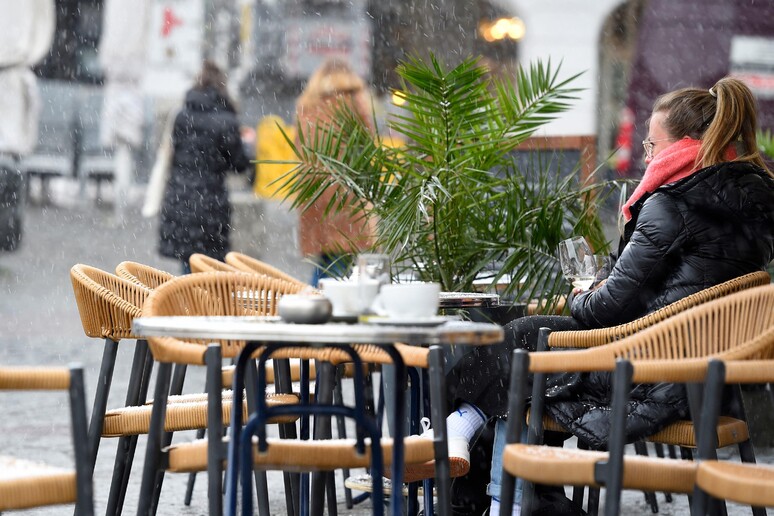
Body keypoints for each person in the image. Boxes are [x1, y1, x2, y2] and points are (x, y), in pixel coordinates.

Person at [412, 76, 774, 516]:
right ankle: (496, 473)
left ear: (682, 148)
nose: (647, 156)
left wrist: (584, 293)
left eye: (652, 146)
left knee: (524, 340)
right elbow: (679, 291)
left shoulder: (672, 203)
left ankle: (462, 445)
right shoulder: (749, 202)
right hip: (703, 375)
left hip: (646, 372)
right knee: (526, 349)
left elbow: (606, 309)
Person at [158, 60, 250, 274]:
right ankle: (205, 307)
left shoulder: (181, 116)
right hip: (210, 204)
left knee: (187, 266)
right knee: (212, 272)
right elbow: (239, 165)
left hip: (180, 198)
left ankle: (187, 306)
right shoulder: (226, 120)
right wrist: (246, 147)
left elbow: (175, 154)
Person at [293, 58, 376, 286]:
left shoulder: (307, 103)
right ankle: (329, 309)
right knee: (343, 261)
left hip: (314, 192)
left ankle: (315, 301)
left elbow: (299, 149)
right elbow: (368, 148)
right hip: (346, 192)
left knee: (327, 258)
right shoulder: (353, 100)